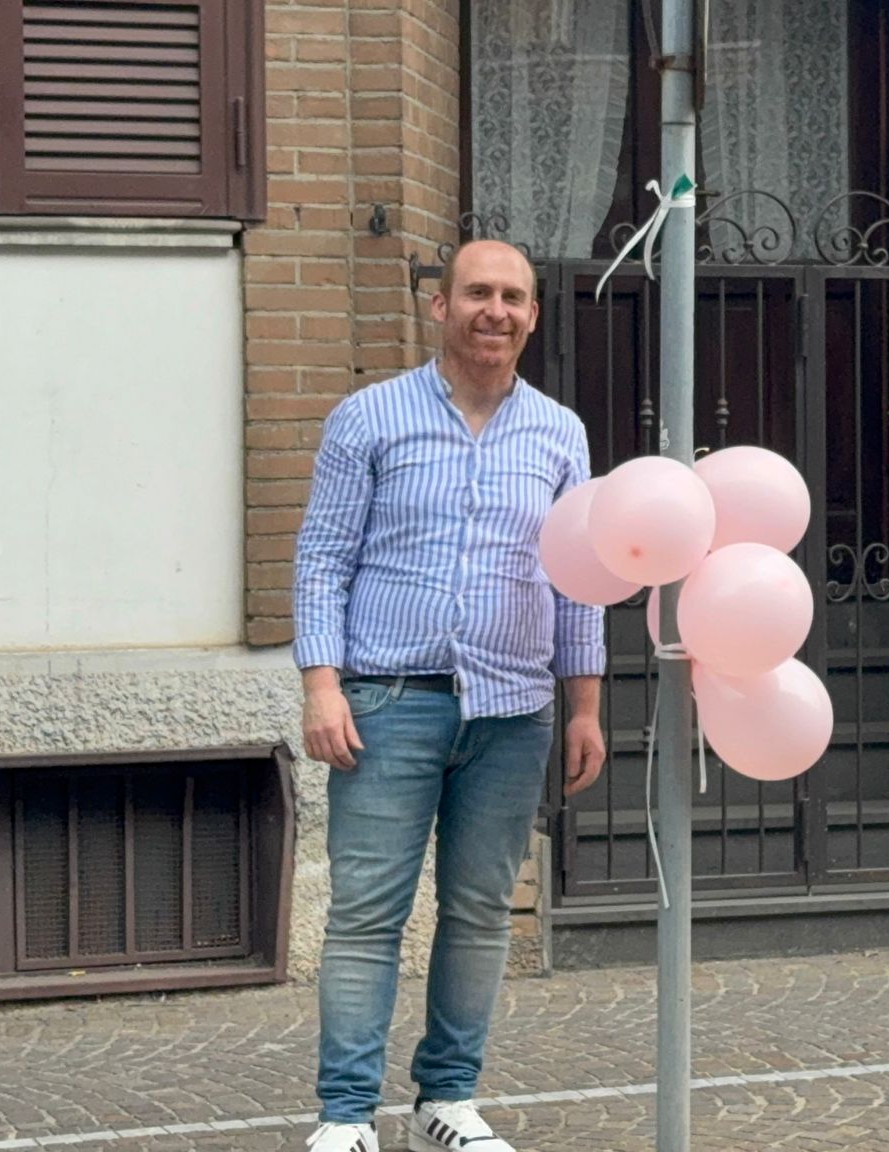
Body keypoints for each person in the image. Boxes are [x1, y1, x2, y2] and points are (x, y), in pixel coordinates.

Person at [293, 240, 609, 1152]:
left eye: (512, 296)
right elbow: (321, 558)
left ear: (533, 316)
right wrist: (321, 684)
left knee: (479, 913)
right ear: (440, 306)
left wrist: (585, 706)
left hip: (512, 712)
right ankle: (346, 1115)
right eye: (477, 293)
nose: (494, 310)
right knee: (367, 915)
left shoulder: (560, 433)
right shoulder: (369, 417)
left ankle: (448, 1100)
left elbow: (579, 578)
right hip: (387, 701)